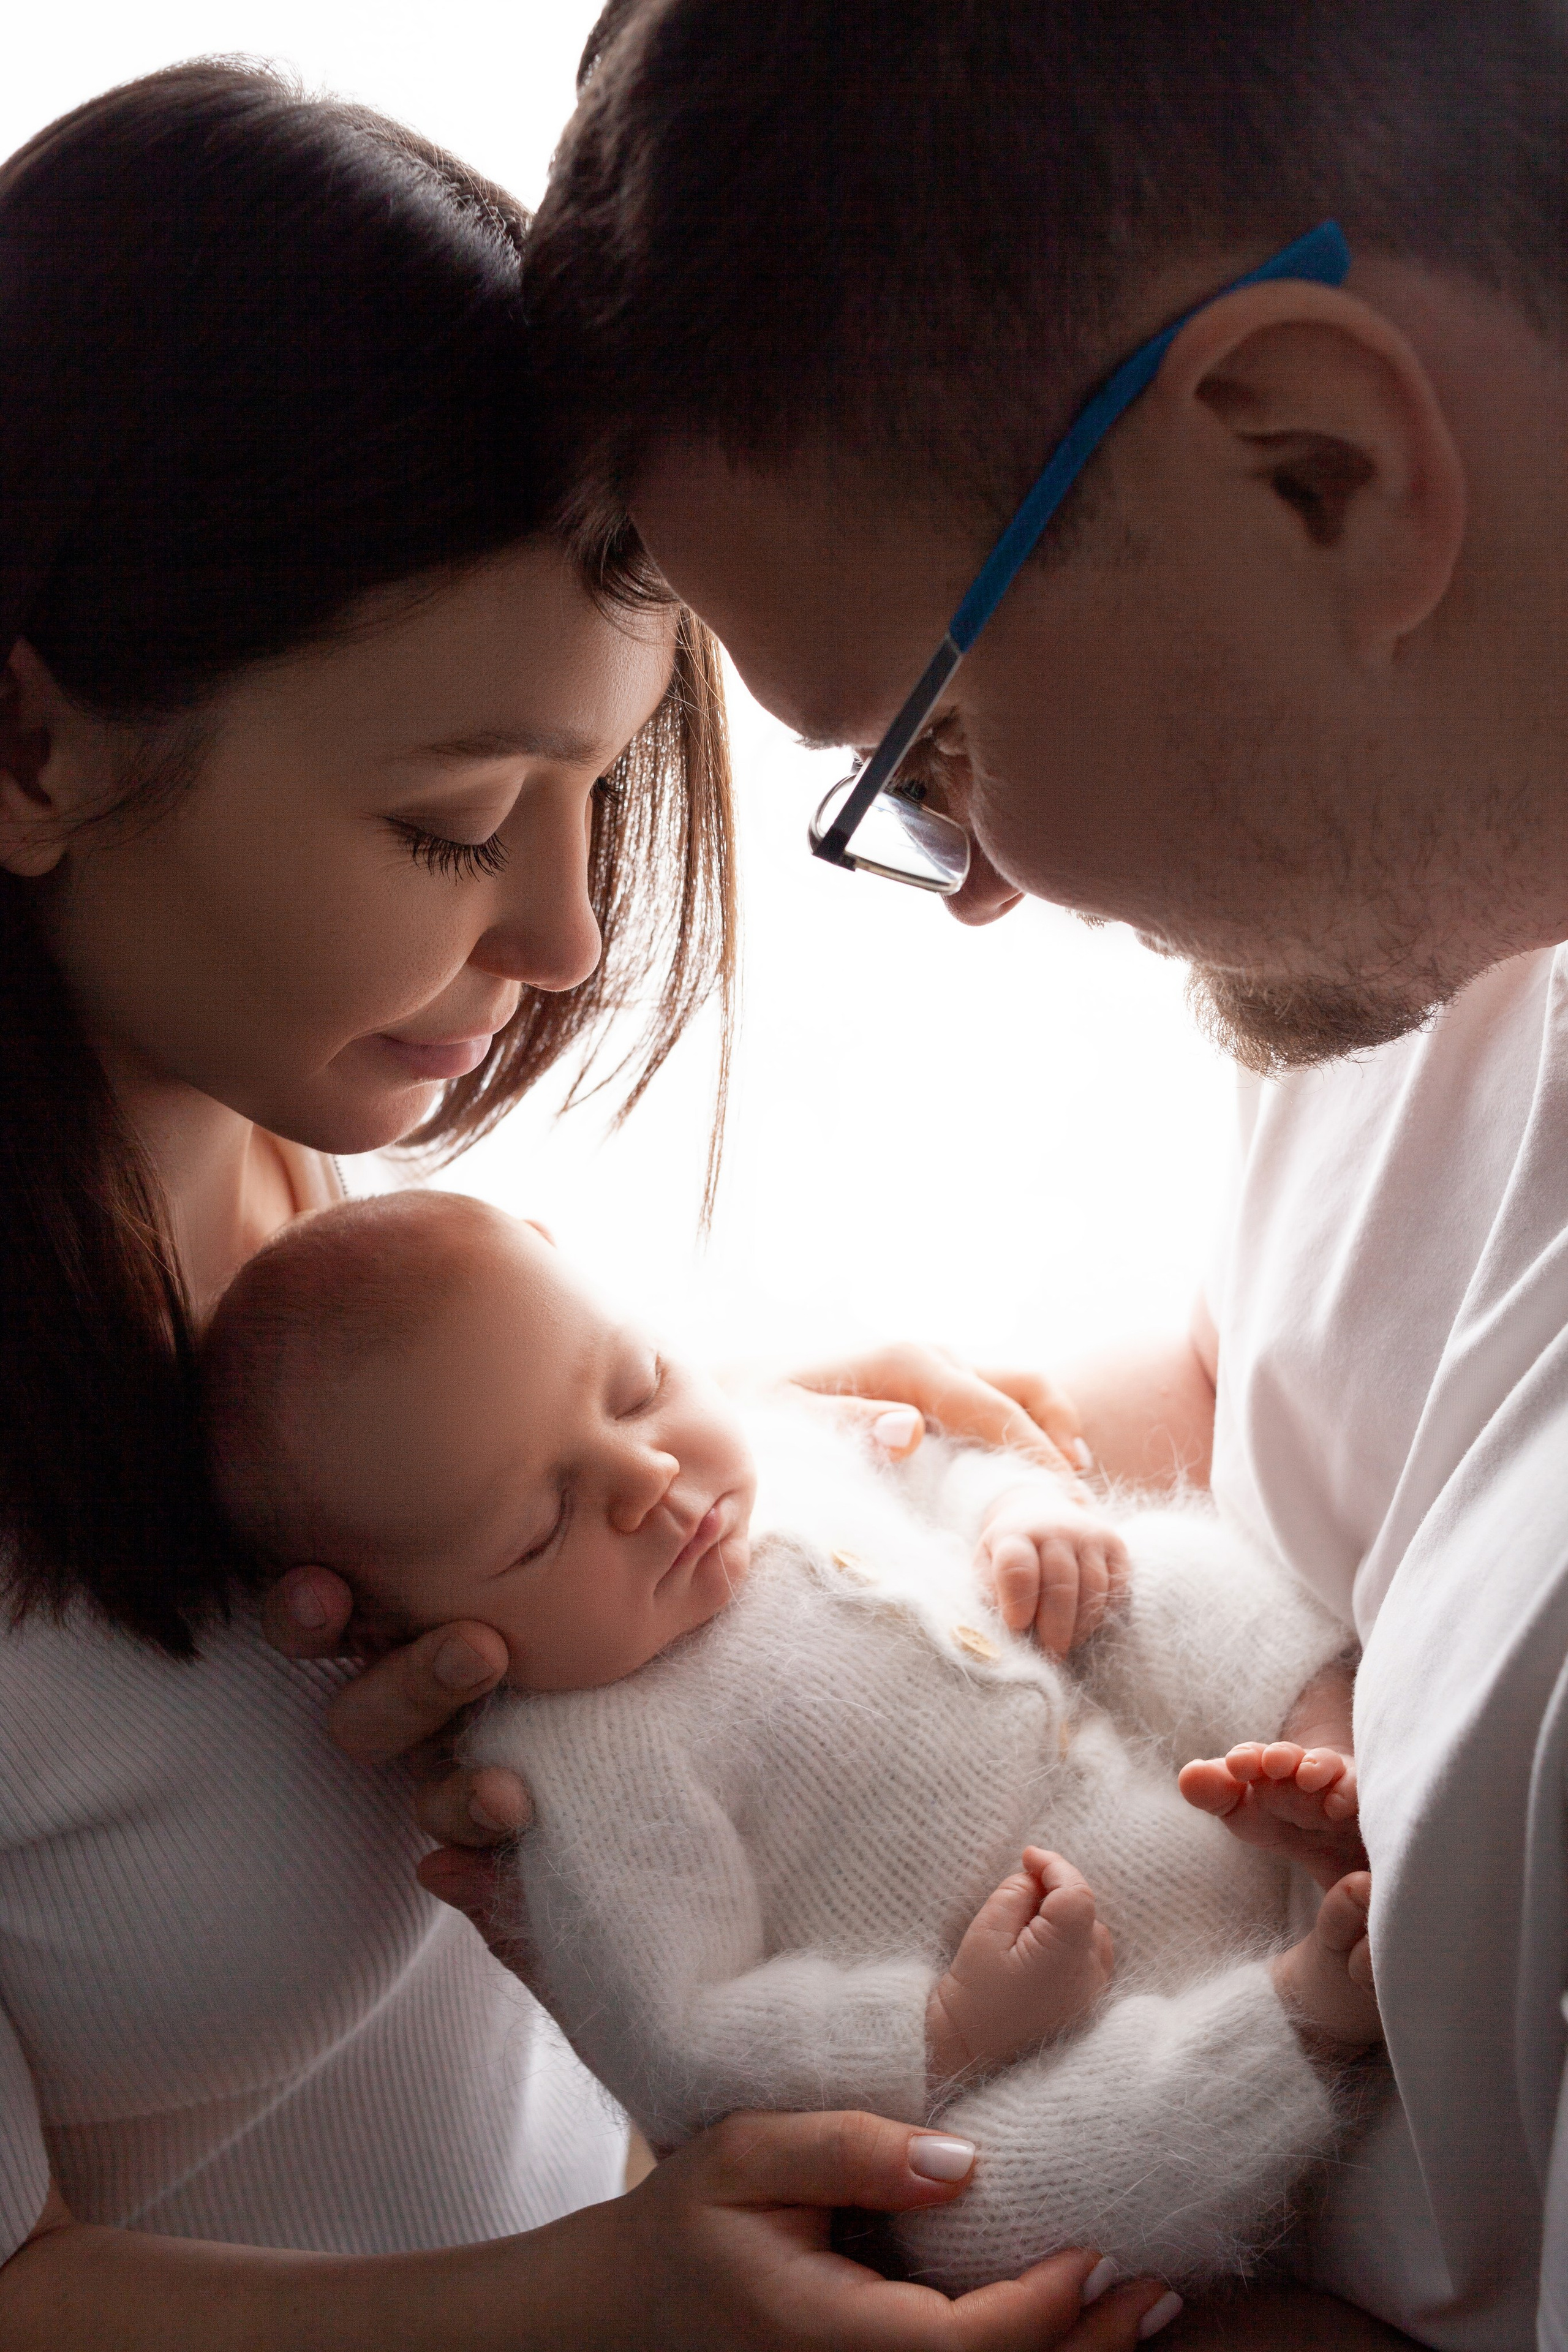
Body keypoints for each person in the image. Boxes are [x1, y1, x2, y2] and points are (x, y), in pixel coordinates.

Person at [0, 56, 1175, 2352]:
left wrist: (723, 1450)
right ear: (33, 748)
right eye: (451, 826)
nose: (559, 933)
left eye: (601, 784)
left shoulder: (281, 1163)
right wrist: (616, 2296)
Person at [509, 2, 1568, 2345]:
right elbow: (1294, 1363)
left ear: (1316, 469)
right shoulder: (1424, 930)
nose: (975, 880)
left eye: (940, 738)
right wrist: (750, 1520)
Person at [197, 1184, 1382, 2313]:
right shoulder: (583, 1769)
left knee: (1134, 1574)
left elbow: (936, 1471)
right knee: (978, 2210)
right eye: (543, 1525)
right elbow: (689, 2037)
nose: (650, 1477)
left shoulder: (782, 1440)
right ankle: (1301, 2020)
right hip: (1066, 2045)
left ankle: (1320, 1747)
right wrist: (950, 2028)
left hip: (1207, 1809)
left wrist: (1015, 1516)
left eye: (635, 1385)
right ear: (414, 1634)